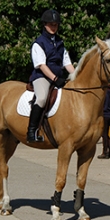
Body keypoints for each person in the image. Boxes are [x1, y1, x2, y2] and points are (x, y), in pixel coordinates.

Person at [27, 9, 75, 143]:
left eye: (55, 24)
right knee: (41, 98)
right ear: (45, 24)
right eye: (51, 24)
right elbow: (41, 65)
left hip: (58, 77)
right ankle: (31, 131)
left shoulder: (60, 43)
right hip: (42, 77)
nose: (53, 27)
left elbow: (67, 64)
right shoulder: (38, 43)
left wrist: (77, 76)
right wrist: (54, 78)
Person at [97, 87, 110, 159]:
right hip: (107, 114)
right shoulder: (109, 91)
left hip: (105, 114)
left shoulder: (107, 92)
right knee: (105, 133)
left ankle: (105, 152)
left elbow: (106, 104)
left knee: (104, 134)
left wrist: (100, 110)